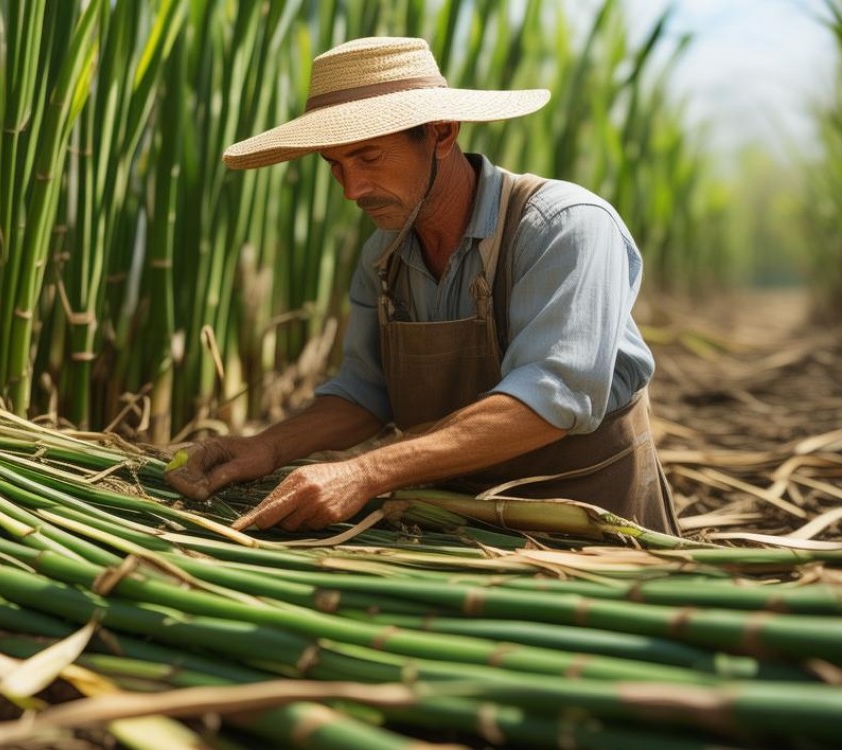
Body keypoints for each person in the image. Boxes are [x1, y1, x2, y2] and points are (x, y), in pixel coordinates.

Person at [165, 37, 680, 536]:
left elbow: (554, 398)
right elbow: (367, 393)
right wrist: (268, 447)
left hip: (598, 536)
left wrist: (365, 471)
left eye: (368, 157)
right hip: (465, 532)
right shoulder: (383, 258)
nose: (352, 190)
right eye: (335, 166)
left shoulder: (562, 227)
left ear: (441, 132)